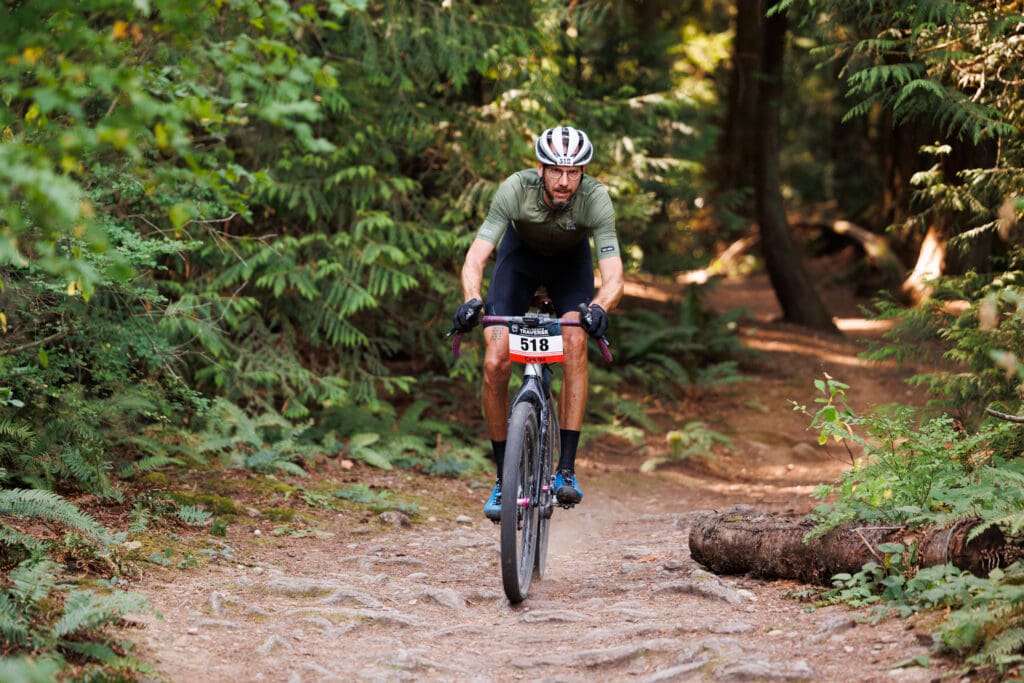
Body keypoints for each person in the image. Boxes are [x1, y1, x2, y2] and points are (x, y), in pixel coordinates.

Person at [451, 125, 623, 521]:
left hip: (570, 268)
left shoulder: (595, 198)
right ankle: (502, 477)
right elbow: (476, 257)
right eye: (556, 171)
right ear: (541, 168)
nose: (565, 181)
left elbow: (614, 276)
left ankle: (565, 469)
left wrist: (599, 307)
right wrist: (471, 300)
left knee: (575, 340)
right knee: (495, 360)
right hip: (519, 264)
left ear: (583, 173)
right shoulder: (515, 189)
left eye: (574, 172)